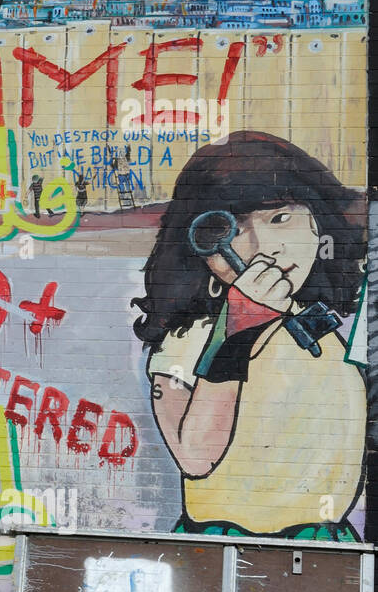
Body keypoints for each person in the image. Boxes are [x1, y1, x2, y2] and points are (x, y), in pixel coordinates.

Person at [132, 130, 365, 540]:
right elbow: (196, 456)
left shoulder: (318, 328)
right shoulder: (192, 337)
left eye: (280, 218)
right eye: (233, 229)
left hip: (327, 541)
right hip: (230, 542)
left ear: (317, 221)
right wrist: (239, 330)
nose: (264, 248)